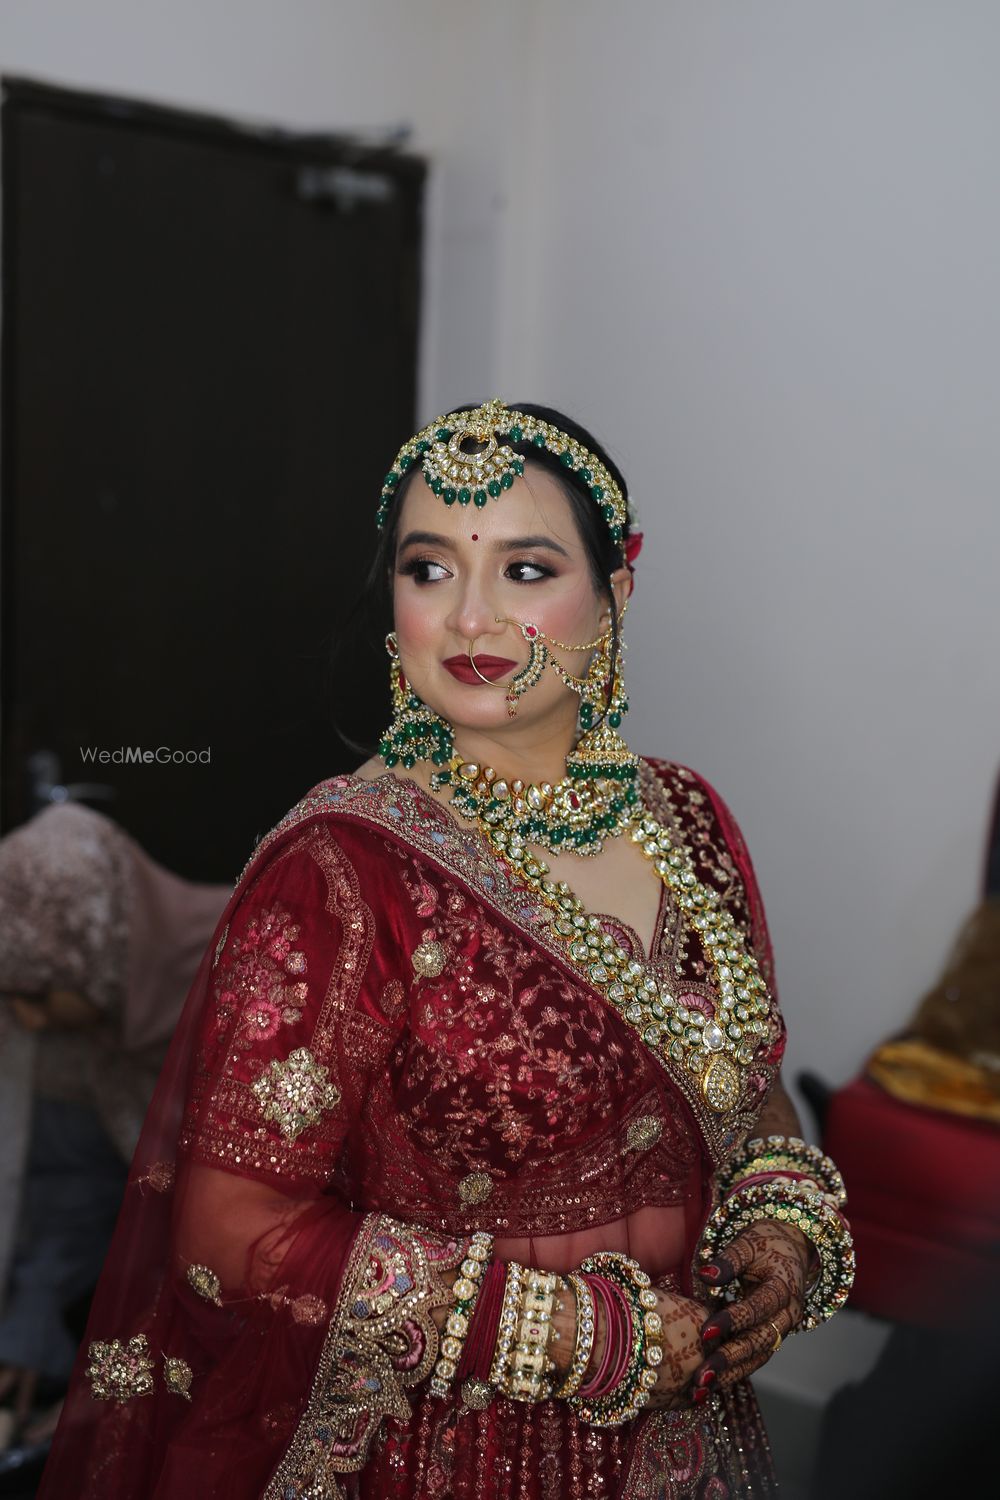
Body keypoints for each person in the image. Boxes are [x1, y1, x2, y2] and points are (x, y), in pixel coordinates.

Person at [38, 401, 854, 1499]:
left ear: (616, 592)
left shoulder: (692, 820)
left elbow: (746, 1082)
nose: (470, 615)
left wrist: (780, 1224)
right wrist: (578, 1334)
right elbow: (230, 1234)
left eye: (525, 569)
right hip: (449, 1447)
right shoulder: (343, 872)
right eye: (429, 569)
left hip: (690, 1435)